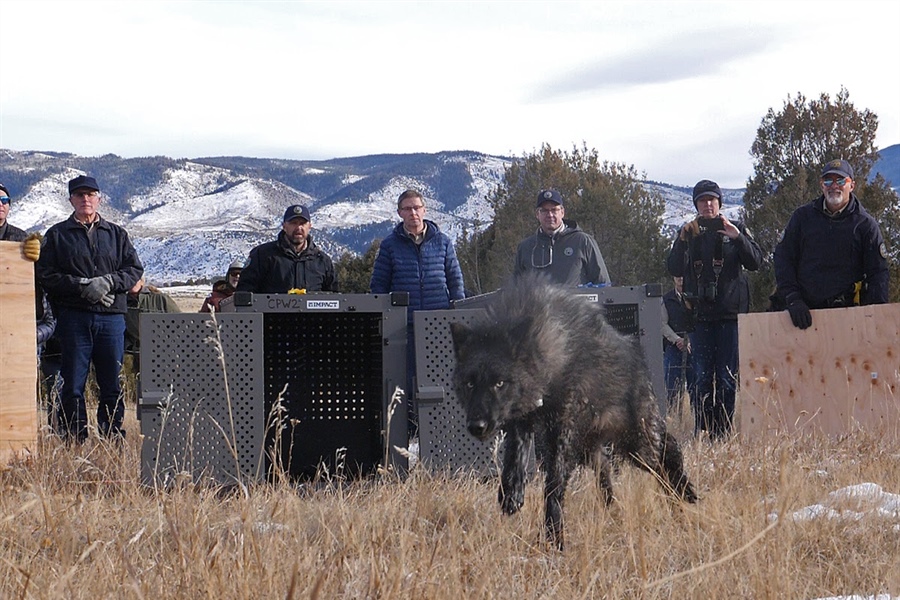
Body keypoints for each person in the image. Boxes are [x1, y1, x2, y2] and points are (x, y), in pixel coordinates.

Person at [36, 175, 144, 442]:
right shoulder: (57, 235)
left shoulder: (117, 234)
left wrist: (108, 282)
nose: (86, 199)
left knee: (111, 384)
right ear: (71, 199)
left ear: (99, 198)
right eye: (80, 195)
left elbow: (134, 270)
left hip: (111, 320)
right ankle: (74, 438)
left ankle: (112, 437)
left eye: (91, 194)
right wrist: (81, 285)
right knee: (73, 383)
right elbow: (46, 275)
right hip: (74, 319)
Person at [667, 179, 762, 439]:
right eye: (702, 200)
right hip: (699, 317)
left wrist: (738, 238)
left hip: (730, 317)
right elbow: (674, 268)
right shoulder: (688, 232)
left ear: (719, 203)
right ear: (696, 204)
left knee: (727, 378)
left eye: (712, 200)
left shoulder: (735, 228)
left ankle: (723, 431)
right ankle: (703, 430)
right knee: (701, 377)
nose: (707, 205)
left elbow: (756, 262)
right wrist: (682, 241)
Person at [370, 189, 465, 436]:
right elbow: (379, 287)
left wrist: (457, 314)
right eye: (407, 209)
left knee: (443, 378)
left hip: (439, 324)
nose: (413, 213)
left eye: (417, 207)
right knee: (408, 379)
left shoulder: (442, 241)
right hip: (406, 326)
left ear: (424, 210)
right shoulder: (390, 246)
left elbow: (455, 281)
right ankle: (411, 432)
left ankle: (443, 430)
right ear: (399, 213)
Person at [773, 159, 889, 330]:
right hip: (803, 316)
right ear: (821, 185)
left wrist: (873, 317)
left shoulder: (865, 225)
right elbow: (783, 259)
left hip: (849, 318)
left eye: (841, 181)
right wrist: (792, 299)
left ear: (852, 185)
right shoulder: (802, 218)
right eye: (828, 181)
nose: (834, 186)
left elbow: (878, 273)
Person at [514, 188, 610, 286]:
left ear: (562, 212)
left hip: (574, 301)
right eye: (544, 211)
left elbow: (603, 284)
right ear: (537, 214)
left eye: (554, 210)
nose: (550, 215)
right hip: (537, 301)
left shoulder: (583, 241)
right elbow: (516, 288)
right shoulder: (525, 247)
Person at [237, 205, 337, 293]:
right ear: (284, 226)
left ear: (309, 227)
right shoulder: (262, 255)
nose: (298, 228)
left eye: (302, 223)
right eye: (294, 223)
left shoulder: (323, 261)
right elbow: (245, 291)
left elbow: (334, 298)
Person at [125, 278, 181, 371]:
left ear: (142, 281)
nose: (132, 281)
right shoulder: (121, 303)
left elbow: (181, 324)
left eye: (136, 278)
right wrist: (130, 346)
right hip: (136, 357)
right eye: (129, 277)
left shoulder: (161, 299)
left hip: (165, 356)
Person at [661, 276, 693, 413]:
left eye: (683, 275)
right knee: (671, 388)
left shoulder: (695, 296)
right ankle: (672, 420)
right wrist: (677, 340)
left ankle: (696, 420)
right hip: (673, 348)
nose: (681, 278)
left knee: (696, 387)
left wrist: (690, 341)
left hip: (694, 348)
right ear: (673, 278)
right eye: (677, 276)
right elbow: (662, 323)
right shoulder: (666, 299)